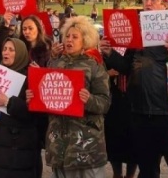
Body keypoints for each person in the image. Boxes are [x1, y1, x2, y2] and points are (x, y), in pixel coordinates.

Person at [102, 0, 168, 178]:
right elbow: (126, 67)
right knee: (147, 169)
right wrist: (109, 53)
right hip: (141, 113)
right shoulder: (137, 33)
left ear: (165, 5)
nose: (147, 2)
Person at [31, 16, 110, 178]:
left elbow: (105, 103)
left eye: (75, 37)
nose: (69, 40)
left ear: (85, 40)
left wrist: (89, 100)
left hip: (86, 149)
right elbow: (46, 100)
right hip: (59, 148)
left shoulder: (94, 66)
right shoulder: (54, 64)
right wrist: (34, 95)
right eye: (67, 36)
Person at [0, 38, 43, 178]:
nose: (6, 52)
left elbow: (34, 115)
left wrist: (9, 103)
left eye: (11, 50)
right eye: (5, 49)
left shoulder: (29, 77)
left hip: (16, 147)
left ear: (21, 54)